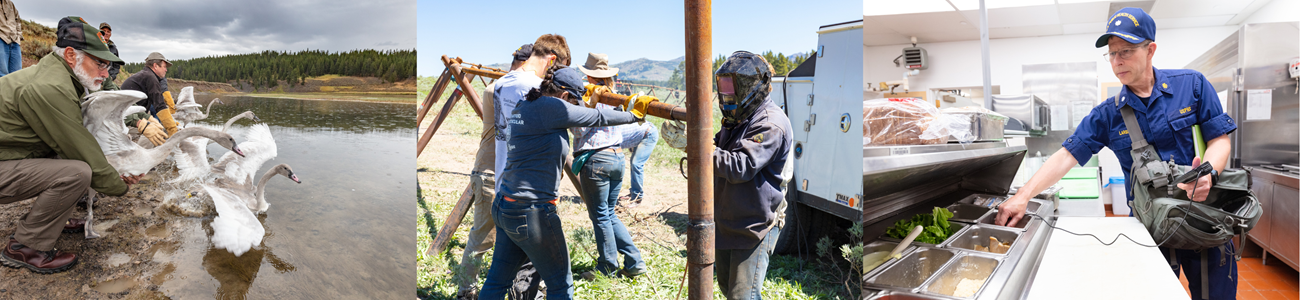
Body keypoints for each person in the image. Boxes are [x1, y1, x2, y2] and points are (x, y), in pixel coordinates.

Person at [994, 7, 1237, 299]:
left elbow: (1219, 139)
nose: (1117, 61)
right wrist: (1022, 197)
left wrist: (1207, 172)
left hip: (1202, 217)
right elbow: (1066, 156)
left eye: (1126, 51)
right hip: (1151, 229)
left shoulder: (1192, 85)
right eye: (1111, 53)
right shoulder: (1107, 115)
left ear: (1151, 50)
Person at [480, 66, 644, 300]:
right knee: (561, 285)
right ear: (565, 96)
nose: (574, 108)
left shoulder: (524, 105)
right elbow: (597, 117)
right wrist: (633, 115)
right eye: (574, 102)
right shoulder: (552, 107)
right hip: (533, 211)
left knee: (497, 281)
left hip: (506, 205)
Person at [0, 16, 139, 274]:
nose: (105, 73)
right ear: (71, 55)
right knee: (78, 171)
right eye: (99, 63)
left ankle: (52, 219)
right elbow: (80, 149)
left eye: (107, 65)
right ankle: (26, 246)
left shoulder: (61, 77)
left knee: (72, 160)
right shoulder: (51, 87)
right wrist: (119, 184)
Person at [711, 51, 793, 300]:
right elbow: (718, 146)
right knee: (727, 287)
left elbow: (740, 166)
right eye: (724, 88)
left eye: (732, 89)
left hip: (755, 226)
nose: (727, 96)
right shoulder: (738, 118)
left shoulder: (770, 123)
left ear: (751, 88)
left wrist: (698, 149)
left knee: (742, 296)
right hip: (730, 220)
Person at [456, 43, 533, 299]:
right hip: (492, 174)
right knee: (482, 238)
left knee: (494, 238)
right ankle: (466, 291)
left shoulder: (501, 87)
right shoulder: (501, 89)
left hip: (491, 172)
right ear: (526, 64)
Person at [572, 52, 645, 277]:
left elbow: (580, 129)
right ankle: (634, 262)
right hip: (616, 157)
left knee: (601, 216)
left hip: (596, 160)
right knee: (609, 214)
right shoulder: (616, 99)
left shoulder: (587, 97)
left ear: (590, 77)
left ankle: (607, 267)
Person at [493, 34, 570, 193]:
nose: (555, 76)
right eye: (558, 69)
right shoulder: (537, 87)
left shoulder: (502, 83)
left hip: (503, 184)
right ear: (551, 59)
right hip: (530, 190)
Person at [121, 52, 180, 141]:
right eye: (164, 67)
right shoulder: (150, 77)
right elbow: (159, 105)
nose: (166, 70)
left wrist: (171, 122)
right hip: (125, 119)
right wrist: (172, 128)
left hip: (132, 114)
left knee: (156, 126)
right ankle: (144, 154)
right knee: (155, 131)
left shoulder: (146, 75)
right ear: (155, 66)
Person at [616, 122, 657, 206]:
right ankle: (633, 192)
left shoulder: (612, 136)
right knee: (633, 163)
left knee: (636, 164)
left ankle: (637, 198)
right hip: (638, 133)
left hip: (648, 133)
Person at [98, 22, 122, 91]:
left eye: (108, 31)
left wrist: (112, 77)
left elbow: (116, 65)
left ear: (110, 34)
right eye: (104, 31)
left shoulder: (114, 48)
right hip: (96, 79)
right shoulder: (95, 45)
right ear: (99, 32)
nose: (106, 33)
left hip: (109, 80)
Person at [0, 0, 18, 76]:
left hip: (14, 40)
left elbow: (18, 20)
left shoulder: (10, 4)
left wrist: (18, 35)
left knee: (17, 73)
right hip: (1, 38)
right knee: (2, 74)